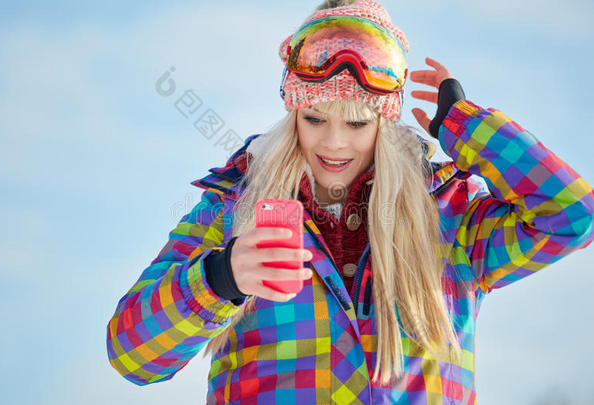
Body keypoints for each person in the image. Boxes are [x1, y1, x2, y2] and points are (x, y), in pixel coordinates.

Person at [106, 0, 594, 403]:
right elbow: (131, 354)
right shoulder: (234, 208)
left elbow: (573, 217)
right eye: (315, 118)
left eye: (358, 123)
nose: (334, 143)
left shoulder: (450, 217)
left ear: (385, 121)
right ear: (293, 110)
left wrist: (468, 128)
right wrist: (220, 278)